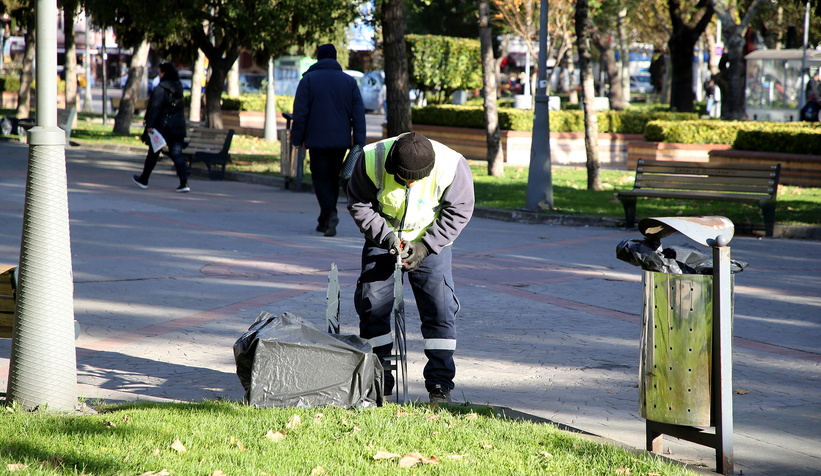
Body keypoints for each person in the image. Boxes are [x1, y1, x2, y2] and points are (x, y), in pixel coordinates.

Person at [346, 132, 475, 404]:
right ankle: (379, 381)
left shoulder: (452, 165)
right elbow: (359, 203)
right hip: (383, 239)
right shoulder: (371, 158)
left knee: (440, 309)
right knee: (372, 306)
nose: (411, 183)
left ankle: (440, 385)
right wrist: (387, 237)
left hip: (430, 241)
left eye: (416, 179)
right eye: (405, 179)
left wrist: (426, 247)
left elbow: (460, 210)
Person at [291, 44, 366, 237]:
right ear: (335, 58)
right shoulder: (349, 82)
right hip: (341, 141)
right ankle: (324, 220)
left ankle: (330, 213)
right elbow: (358, 115)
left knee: (320, 177)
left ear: (319, 58)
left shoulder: (308, 80)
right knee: (332, 177)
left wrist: (297, 139)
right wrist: (359, 142)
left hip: (316, 140)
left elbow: (300, 113)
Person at [132, 62, 189, 192]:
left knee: (153, 153)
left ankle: (144, 179)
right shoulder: (179, 88)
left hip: (162, 127)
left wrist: (150, 125)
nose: (159, 74)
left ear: (164, 73)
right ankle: (184, 183)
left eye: (160, 72)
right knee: (176, 154)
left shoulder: (161, 88)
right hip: (178, 126)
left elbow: (155, 108)